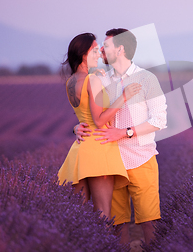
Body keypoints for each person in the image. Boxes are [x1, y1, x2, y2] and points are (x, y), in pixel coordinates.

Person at [74, 28, 167, 245]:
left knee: (149, 221)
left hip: (141, 158)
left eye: (106, 46)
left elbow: (160, 120)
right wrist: (76, 127)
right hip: (111, 161)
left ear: (120, 49)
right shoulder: (101, 79)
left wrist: (124, 133)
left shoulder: (146, 78)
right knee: (117, 223)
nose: (101, 50)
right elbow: (94, 114)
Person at [58, 33, 142, 220]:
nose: (99, 54)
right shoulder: (92, 80)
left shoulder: (71, 82)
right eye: (94, 50)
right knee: (103, 215)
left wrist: (75, 128)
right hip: (100, 148)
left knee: (78, 217)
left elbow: (83, 116)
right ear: (83, 54)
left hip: (80, 150)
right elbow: (98, 120)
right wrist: (124, 96)